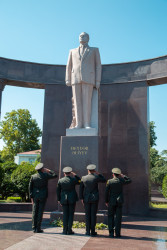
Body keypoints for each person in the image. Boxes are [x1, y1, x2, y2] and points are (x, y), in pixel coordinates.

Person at [66, 32, 101, 129]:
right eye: (80, 35)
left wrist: (97, 81)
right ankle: (78, 124)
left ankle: (86, 124)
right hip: (75, 78)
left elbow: (98, 65)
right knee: (77, 102)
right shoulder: (72, 51)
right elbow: (69, 66)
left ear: (88, 38)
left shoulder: (94, 50)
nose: (81, 36)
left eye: (84, 35)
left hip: (89, 78)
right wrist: (68, 78)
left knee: (87, 102)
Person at [29, 163, 57, 233]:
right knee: (40, 212)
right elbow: (55, 175)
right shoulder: (45, 175)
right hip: (42, 196)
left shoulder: (33, 176)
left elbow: (30, 187)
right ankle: (38, 228)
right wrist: (49, 170)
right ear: (42, 169)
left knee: (34, 212)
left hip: (35, 196)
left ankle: (33, 228)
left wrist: (31, 197)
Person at [79, 164, 106, 236]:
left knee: (87, 215)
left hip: (86, 198)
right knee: (93, 215)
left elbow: (81, 189)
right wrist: (99, 174)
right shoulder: (96, 177)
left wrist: (81, 198)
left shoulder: (83, 178)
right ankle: (93, 231)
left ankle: (87, 231)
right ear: (93, 170)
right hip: (94, 198)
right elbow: (104, 180)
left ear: (88, 170)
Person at [105, 168, 132, 238]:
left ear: (113, 174)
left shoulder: (109, 181)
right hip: (119, 201)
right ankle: (117, 233)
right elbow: (129, 180)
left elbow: (106, 192)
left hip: (111, 201)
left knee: (110, 216)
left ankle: (111, 233)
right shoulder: (121, 180)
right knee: (118, 218)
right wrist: (123, 176)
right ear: (119, 174)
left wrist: (106, 201)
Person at [57, 166, 81, 235]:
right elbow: (80, 181)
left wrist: (59, 199)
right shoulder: (73, 180)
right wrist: (75, 175)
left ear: (64, 173)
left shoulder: (60, 180)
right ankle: (69, 230)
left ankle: (64, 230)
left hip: (64, 199)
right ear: (70, 173)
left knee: (65, 215)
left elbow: (58, 191)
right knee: (71, 214)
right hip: (72, 199)